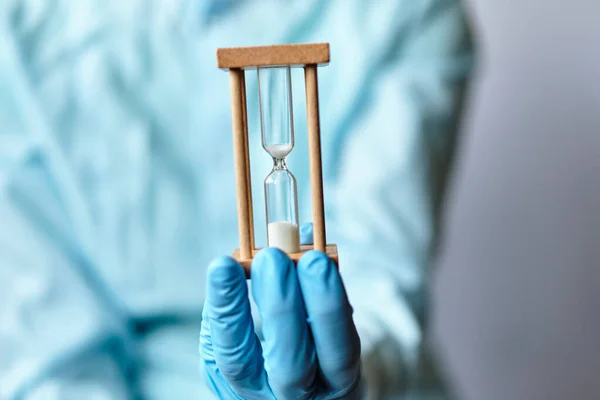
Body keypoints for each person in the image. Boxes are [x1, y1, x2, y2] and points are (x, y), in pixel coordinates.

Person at [0, 0, 475, 398]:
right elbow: (50, 349)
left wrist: (348, 376)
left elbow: (381, 278)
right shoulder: (22, 28)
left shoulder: (405, 13)